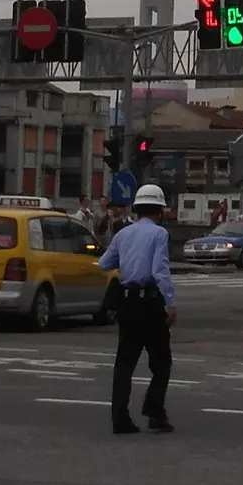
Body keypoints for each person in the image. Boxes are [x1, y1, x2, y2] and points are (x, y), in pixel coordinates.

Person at [97, 183, 177, 434]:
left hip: (127, 304)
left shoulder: (123, 234)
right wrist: (170, 304)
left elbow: (104, 263)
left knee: (124, 364)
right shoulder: (159, 234)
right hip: (150, 304)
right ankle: (154, 411)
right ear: (160, 210)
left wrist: (127, 265)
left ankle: (119, 418)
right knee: (162, 362)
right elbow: (160, 271)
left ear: (139, 208)